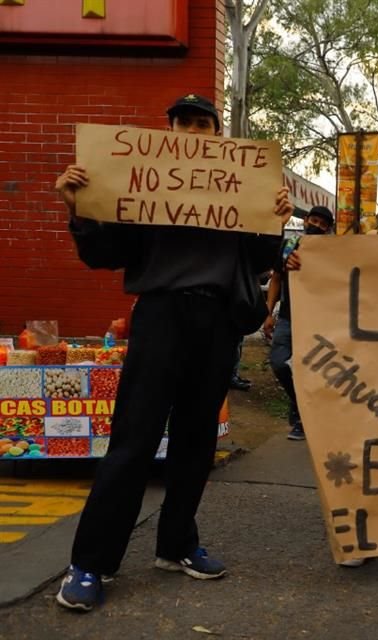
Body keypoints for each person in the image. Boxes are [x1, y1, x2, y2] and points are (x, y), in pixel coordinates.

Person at [53, 94, 294, 611]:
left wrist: (273, 220)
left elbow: (258, 259)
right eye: (182, 122)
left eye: (202, 124)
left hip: (217, 323)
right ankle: (91, 563)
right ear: (169, 130)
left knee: (195, 442)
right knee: (133, 440)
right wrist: (77, 207)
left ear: (216, 134)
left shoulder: (239, 190)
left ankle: (176, 544)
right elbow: (103, 254)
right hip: (160, 315)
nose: (192, 130)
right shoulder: (140, 184)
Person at [286, 168, 378, 573]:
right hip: (372, 363)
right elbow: (334, 280)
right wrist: (303, 265)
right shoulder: (370, 245)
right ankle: (361, 533)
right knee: (367, 449)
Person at [263, 206, 334, 440]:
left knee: (310, 371)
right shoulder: (289, 245)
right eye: (314, 220)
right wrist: (269, 312)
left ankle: (303, 420)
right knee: (279, 363)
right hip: (288, 318)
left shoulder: (330, 253)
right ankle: (303, 408)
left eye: (323, 225)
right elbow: (276, 278)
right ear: (305, 221)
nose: (317, 226)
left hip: (316, 321)